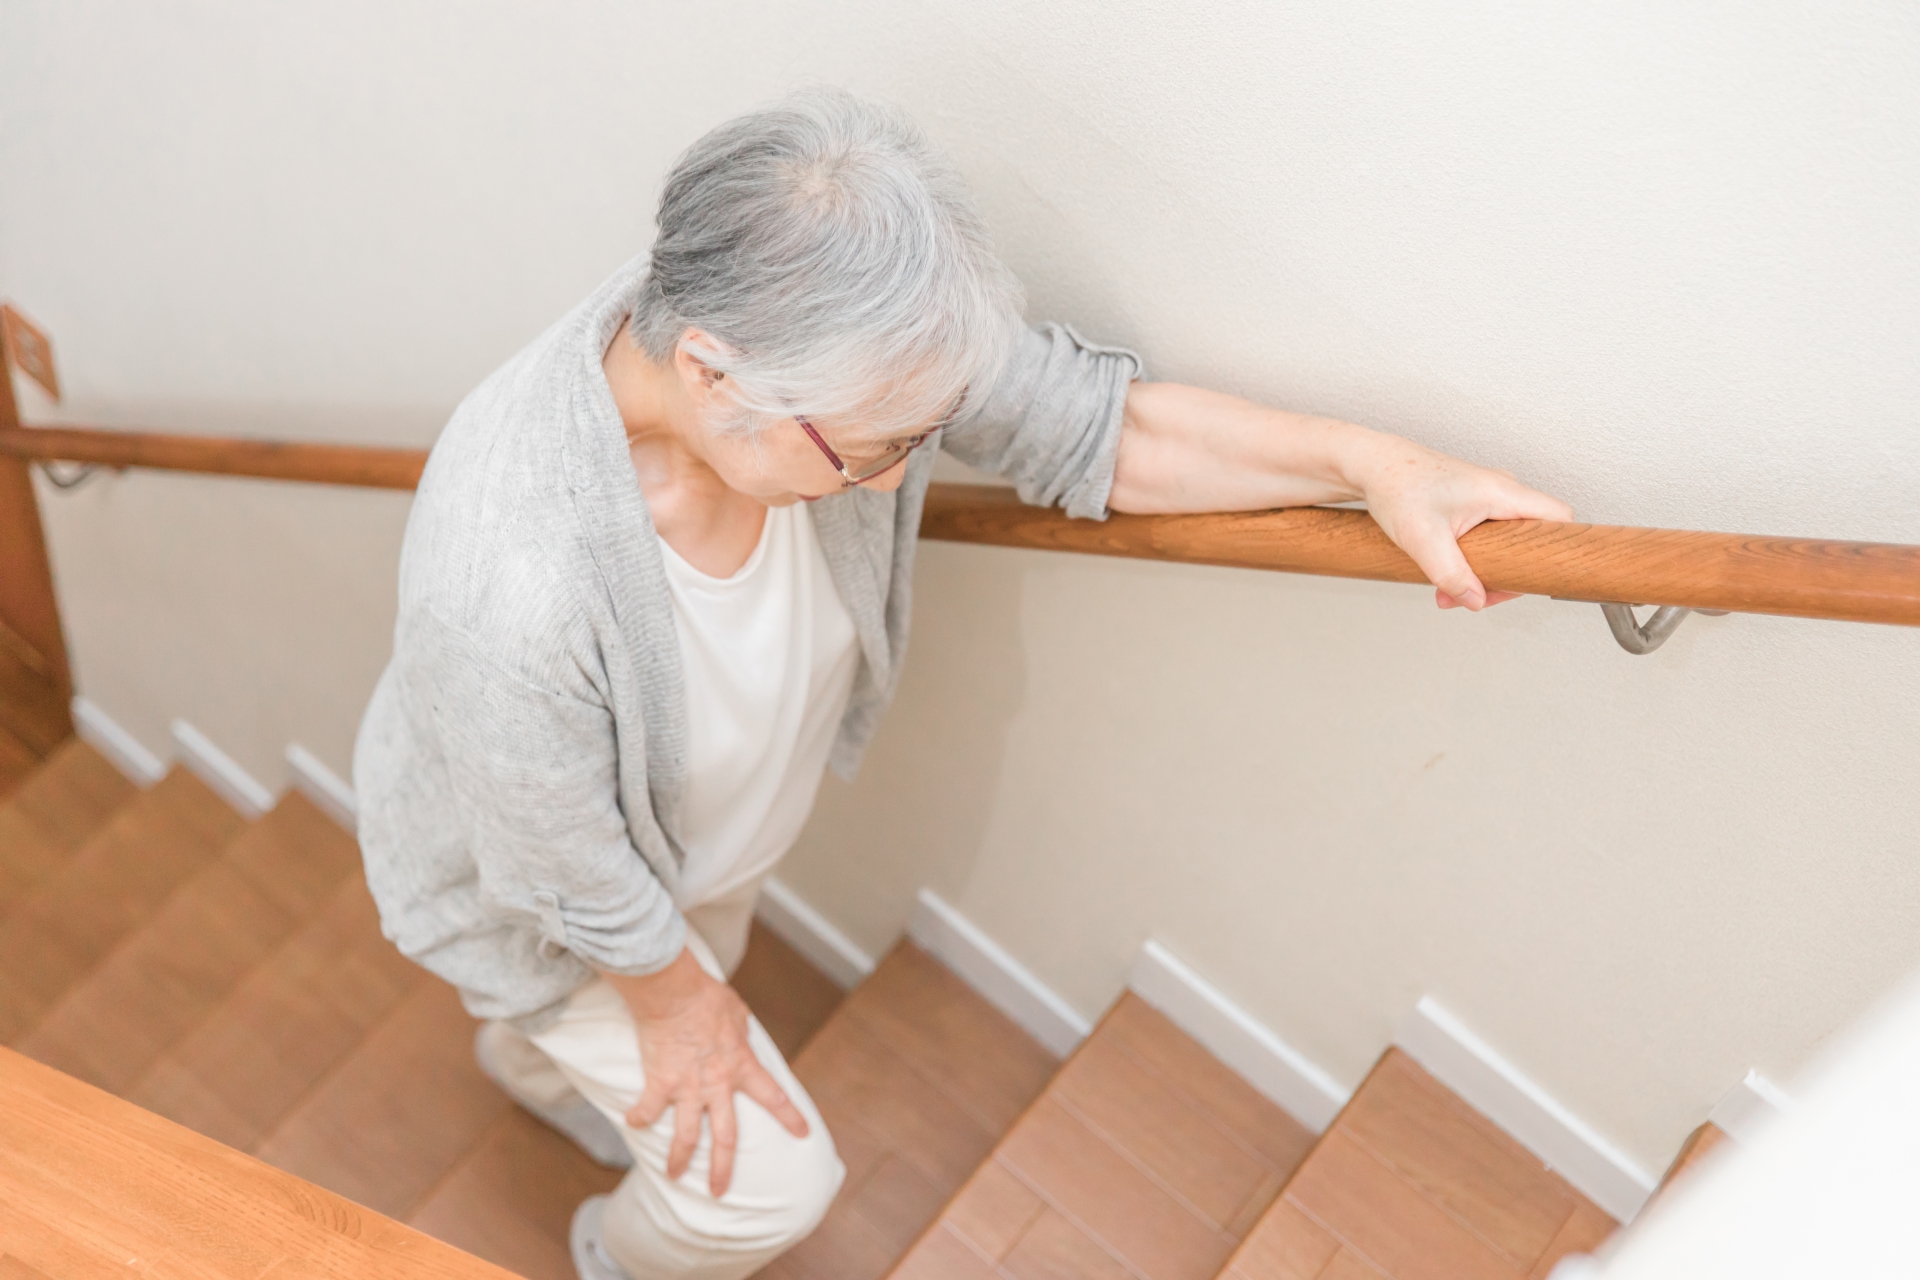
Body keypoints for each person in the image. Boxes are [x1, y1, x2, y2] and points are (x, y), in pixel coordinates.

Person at [352, 88, 1572, 1280]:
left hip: (696, 848)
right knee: (769, 1191)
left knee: (661, 975)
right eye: (873, 450)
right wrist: (678, 1005)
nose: (894, 486)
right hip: (549, 900)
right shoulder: (506, 580)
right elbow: (561, 859)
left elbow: (1103, 430)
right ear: (714, 373)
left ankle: (537, 1070)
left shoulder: (825, 345)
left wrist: (1376, 466)